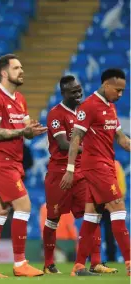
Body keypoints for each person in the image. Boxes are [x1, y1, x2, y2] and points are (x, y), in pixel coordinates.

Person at [0, 54, 47, 278]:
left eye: (22, 67)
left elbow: (25, 127)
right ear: (4, 73)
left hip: (14, 162)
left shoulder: (20, 99)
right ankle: (20, 263)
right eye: (16, 68)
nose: (21, 71)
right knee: (24, 206)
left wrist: (32, 130)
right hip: (0, 162)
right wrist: (22, 131)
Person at [43, 75, 117, 275]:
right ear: (63, 93)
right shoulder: (55, 114)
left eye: (79, 89)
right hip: (60, 173)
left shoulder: (85, 111)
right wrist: (94, 148)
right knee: (53, 219)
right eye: (73, 91)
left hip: (82, 173)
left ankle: (95, 262)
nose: (78, 94)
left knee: (93, 216)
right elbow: (63, 144)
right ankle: (49, 264)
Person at [60, 68, 130, 276]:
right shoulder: (89, 106)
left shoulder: (110, 107)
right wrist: (70, 169)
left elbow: (120, 137)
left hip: (107, 163)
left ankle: (79, 265)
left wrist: (127, 142)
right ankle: (129, 262)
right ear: (106, 85)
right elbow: (75, 139)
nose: (120, 94)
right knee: (118, 208)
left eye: (123, 91)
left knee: (92, 216)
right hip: (96, 166)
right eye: (117, 90)